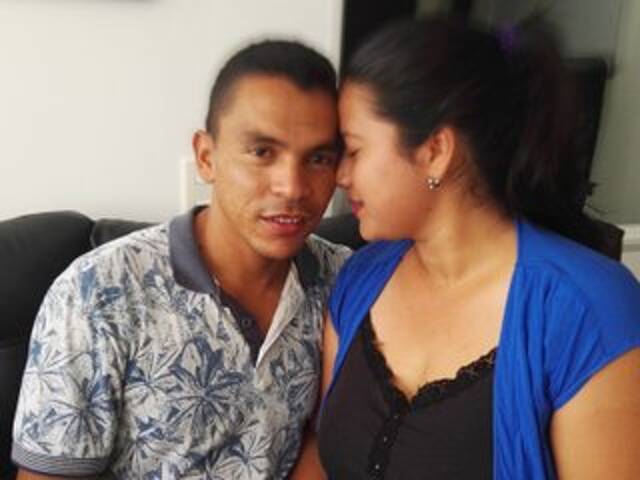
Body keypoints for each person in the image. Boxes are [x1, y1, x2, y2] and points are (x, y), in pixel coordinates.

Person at [293, 17, 640, 480]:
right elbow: (322, 453)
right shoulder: (360, 279)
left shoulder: (588, 310)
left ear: (436, 151)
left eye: (354, 151)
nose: (340, 175)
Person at [11, 40, 350, 479]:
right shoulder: (98, 292)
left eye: (318, 158)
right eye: (262, 152)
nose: (292, 186)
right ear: (206, 157)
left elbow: (326, 439)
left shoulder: (344, 281)